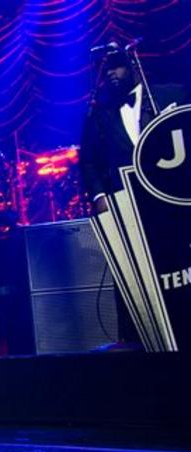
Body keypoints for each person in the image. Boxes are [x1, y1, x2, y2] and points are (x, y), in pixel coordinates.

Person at [79, 46, 188, 344]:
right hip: (127, 207)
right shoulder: (99, 115)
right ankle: (137, 343)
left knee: (178, 269)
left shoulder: (170, 94)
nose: (111, 73)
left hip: (172, 204)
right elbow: (87, 161)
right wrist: (99, 197)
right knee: (135, 275)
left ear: (133, 65)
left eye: (117, 66)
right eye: (106, 69)